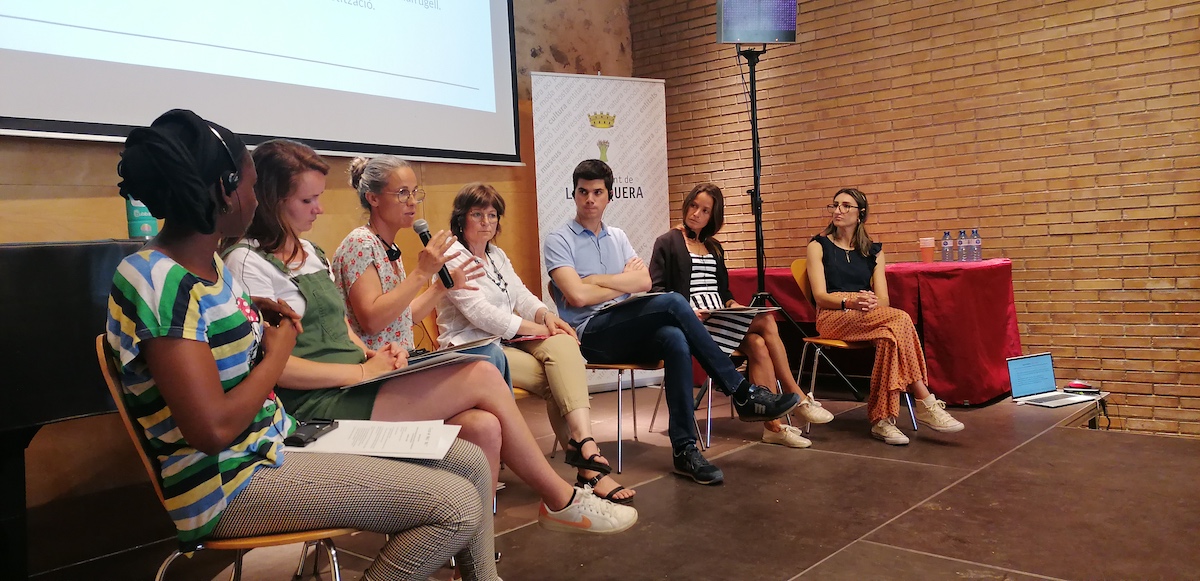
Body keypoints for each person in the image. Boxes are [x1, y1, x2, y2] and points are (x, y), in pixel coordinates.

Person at [106, 110, 498, 580]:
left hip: (281, 439)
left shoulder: (210, 267)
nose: (257, 200)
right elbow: (212, 430)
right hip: (230, 481)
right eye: (252, 187)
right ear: (224, 190)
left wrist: (256, 318)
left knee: (470, 461)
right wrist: (275, 353)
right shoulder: (157, 279)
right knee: (455, 507)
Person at [224, 141, 636, 534]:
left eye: (414, 193)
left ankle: (475, 562)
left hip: (370, 371)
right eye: (307, 200)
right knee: (484, 367)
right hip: (323, 399)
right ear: (273, 200)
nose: (320, 208)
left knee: (484, 425)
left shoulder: (314, 251)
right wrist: (368, 362)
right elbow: (339, 334)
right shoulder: (261, 259)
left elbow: (348, 327)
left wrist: (377, 347)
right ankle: (562, 498)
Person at [544, 159, 800, 486]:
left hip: (624, 326)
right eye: (583, 192)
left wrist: (596, 280)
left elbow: (643, 283)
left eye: (597, 192)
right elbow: (577, 297)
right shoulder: (559, 239)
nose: (590, 199)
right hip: (589, 334)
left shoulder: (617, 237)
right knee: (675, 301)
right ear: (574, 194)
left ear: (609, 196)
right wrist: (620, 282)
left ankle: (684, 449)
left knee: (674, 338)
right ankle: (740, 391)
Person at [437, 183, 635, 504]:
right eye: (477, 214)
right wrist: (538, 328)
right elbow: (482, 315)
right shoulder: (452, 257)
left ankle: (584, 444)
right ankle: (590, 470)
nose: (487, 222)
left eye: (492, 215)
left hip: (503, 344)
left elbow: (521, 295)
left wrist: (547, 316)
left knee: (564, 344)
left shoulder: (496, 255)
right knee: (558, 378)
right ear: (461, 218)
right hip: (472, 351)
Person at [650, 183, 835, 449]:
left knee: (758, 343)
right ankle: (796, 395)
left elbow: (723, 291)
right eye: (693, 206)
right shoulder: (667, 242)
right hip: (692, 320)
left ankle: (773, 427)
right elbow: (657, 290)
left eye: (705, 210)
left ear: (713, 217)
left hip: (719, 315)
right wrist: (687, 310)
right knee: (766, 321)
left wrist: (733, 304)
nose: (696, 214)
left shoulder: (714, 246)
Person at [330, 155, 512, 386]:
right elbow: (372, 321)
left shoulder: (389, 248)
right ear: (373, 198)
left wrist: (442, 287)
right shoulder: (361, 243)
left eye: (415, 192)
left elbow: (403, 318)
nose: (412, 202)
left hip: (402, 362)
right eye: (402, 193)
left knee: (490, 360)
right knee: (488, 359)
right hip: (376, 369)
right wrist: (421, 273)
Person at [806, 187, 965, 445]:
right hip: (833, 315)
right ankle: (925, 400)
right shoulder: (818, 246)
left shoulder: (874, 251)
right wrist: (850, 301)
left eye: (846, 206)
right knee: (900, 319)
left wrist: (867, 302)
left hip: (868, 314)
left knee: (888, 337)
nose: (838, 210)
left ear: (860, 214)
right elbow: (820, 296)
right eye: (835, 205)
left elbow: (883, 300)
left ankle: (883, 421)